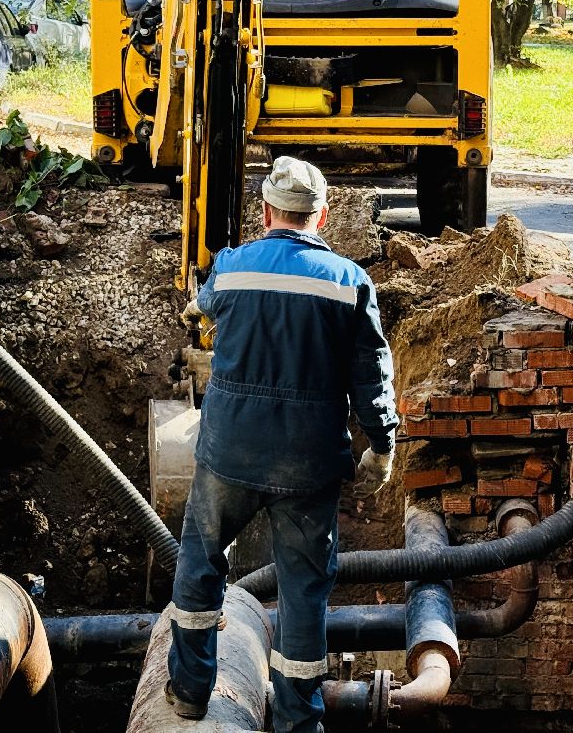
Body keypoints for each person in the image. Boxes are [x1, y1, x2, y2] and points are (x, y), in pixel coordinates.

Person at [164, 156, 397, 732]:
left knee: (200, 564)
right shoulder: (348, 282)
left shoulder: (233, 266)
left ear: (266, 212)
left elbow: (203, 305)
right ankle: (297, 721)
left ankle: (190, 691)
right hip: (308, 463)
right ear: (322, 215)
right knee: (303, 592)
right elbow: (371, 372)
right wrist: (381, 443)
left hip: (230, 453)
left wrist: (203, 301)